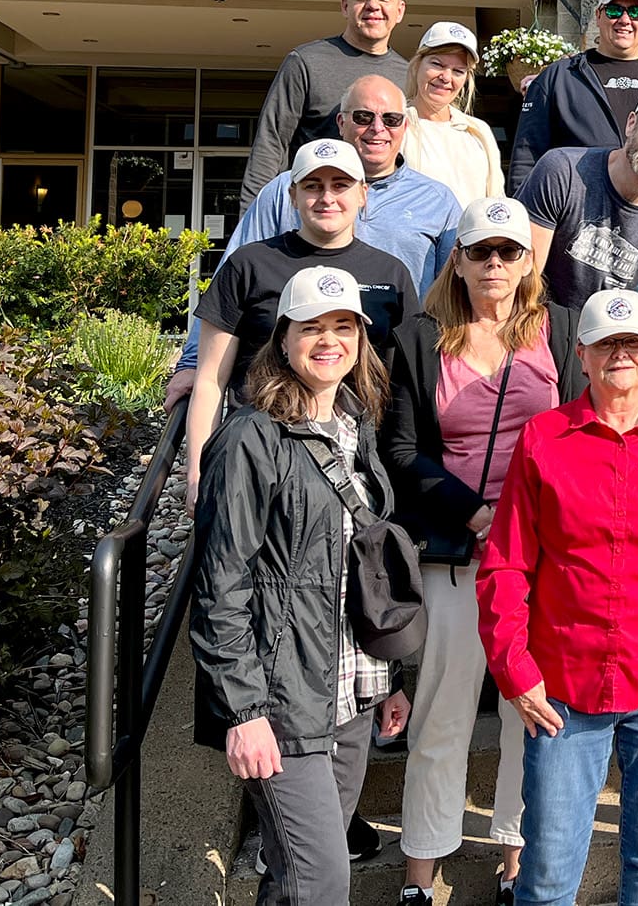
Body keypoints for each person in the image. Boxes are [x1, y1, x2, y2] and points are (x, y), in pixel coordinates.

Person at [476, 289, 638, 906]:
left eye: (634, 343)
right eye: (607, 343)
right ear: (583, 355)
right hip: (565, 692)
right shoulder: (544, 439)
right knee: (546, 874)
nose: (621, 354)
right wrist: (515, 670)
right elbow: (507, 563)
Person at [190, 264, 412, 903]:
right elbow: (220, 586)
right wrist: (245, 711)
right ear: (282, 339)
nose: (329, 340)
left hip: (348, 692)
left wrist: (392, 678)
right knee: (323, 878)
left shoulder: (355, 429)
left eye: (344, 326)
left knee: (295, 876)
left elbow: (365, 565)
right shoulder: (249, 439)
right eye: (311, 326)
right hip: (282, 699)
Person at [382, 198, 564, 906]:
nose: (494, 264)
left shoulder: (561, 331)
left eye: (508, 251)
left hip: (540, 556)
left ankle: (517, 857)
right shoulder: (420, 337)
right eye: (480, 251)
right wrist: (478, 509)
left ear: (528, 262)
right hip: (455, 552)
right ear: (456, 259)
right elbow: (400, 450)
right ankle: (420, 874)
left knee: (532, 713)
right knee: (442, 715)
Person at [167, 76, 459, 409]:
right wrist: (192, 363)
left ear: (404, 126)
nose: (378, 128)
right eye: (363, 117)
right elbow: (228, 289)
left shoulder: (439, 201)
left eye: (390, 119)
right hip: (279, 391)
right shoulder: (282, 190)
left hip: (380, 394)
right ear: (341, 122)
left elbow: (450, 298)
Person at [185, 138, 421, 508]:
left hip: (359, 460)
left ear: (363, 195)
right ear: (293, 195)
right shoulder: (249, 266)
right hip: (263, 456)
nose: (327, 197)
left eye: (340, 185)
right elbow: (211, 380)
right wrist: (199, 473)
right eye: (313, 186)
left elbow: (404, 388)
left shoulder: (391, 274)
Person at [516, 84, 638, 392]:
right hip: (540, 333)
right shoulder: (562, 171)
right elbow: (523, 285)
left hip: (610, 344)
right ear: (631, 123)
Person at [240, 0, 411, 208]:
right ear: (344, 6)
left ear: (400, 10)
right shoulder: (305, 62)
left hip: (386, 215)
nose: (373, 5)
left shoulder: (409, 76)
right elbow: (271, 141)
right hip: (314, 214)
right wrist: (251, 217)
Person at [509, 0, 638, 186]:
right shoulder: (559, 78)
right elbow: (526, 158)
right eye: (615, 10)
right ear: (598, 15)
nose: (625, 20)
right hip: (573, 211)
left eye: (635, 12)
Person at [404, 20, 504, 205]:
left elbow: (496, 197)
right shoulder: (395, 126)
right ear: (417, 64)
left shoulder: (478, 132)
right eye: (437, 64)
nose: (446, 77)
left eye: (458, 71)